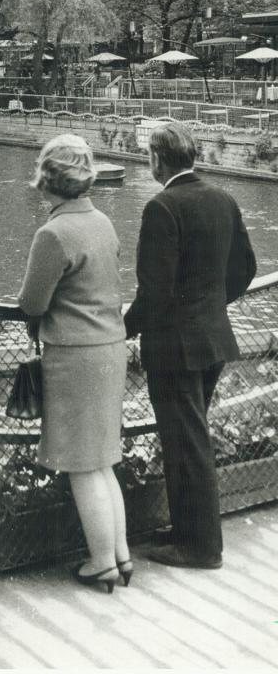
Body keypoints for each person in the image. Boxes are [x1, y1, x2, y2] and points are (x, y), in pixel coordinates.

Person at [125, 122, 256, 570]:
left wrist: (123, 328)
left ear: (157, 159)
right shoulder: (224, 198)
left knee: (186, 445)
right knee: (188, 441)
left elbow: (154, 293)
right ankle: (188, 531)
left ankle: (200, 548)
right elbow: (246, 269)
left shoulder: (162, 207)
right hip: (213, 339)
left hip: (176, 347)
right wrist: (211, 307)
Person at [18, 134, 129, 594]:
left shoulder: (53, 233)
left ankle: (101, 563)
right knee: (103, 460)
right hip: (110, 347)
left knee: (83, 464)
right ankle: (121, 556)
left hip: (75, 355)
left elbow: (31, 302)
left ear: (47, 179)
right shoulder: (102, 221)